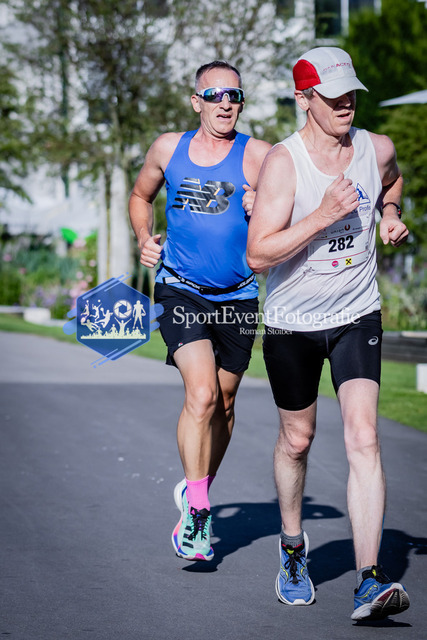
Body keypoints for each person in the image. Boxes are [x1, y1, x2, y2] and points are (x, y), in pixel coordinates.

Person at [246, 47, 410, 620]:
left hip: (357, 313)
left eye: (351, 95)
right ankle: (293, 549)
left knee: (363, 437)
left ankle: (369, 579)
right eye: (332, 96)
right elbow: (257, 254)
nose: (345, 105)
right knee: (298, 439)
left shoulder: (375, 148)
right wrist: (322, 214)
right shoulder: (284, 164)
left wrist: (390, 214)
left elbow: (392, 181)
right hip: (292, 322)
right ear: (304, 99)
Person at [129, 61, 271, 562]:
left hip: (238, 294)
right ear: (197, 102)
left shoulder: (259, 155)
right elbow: (140, 196)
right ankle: (198, 513)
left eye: (234, 95)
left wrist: (264, 205)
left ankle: (196, 487)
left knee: (226, 403)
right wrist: (144, 238)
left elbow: (292, 208)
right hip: (181, 289)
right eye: (214, 95)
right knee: (203, 393)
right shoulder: (168, 148)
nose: (225, 103)